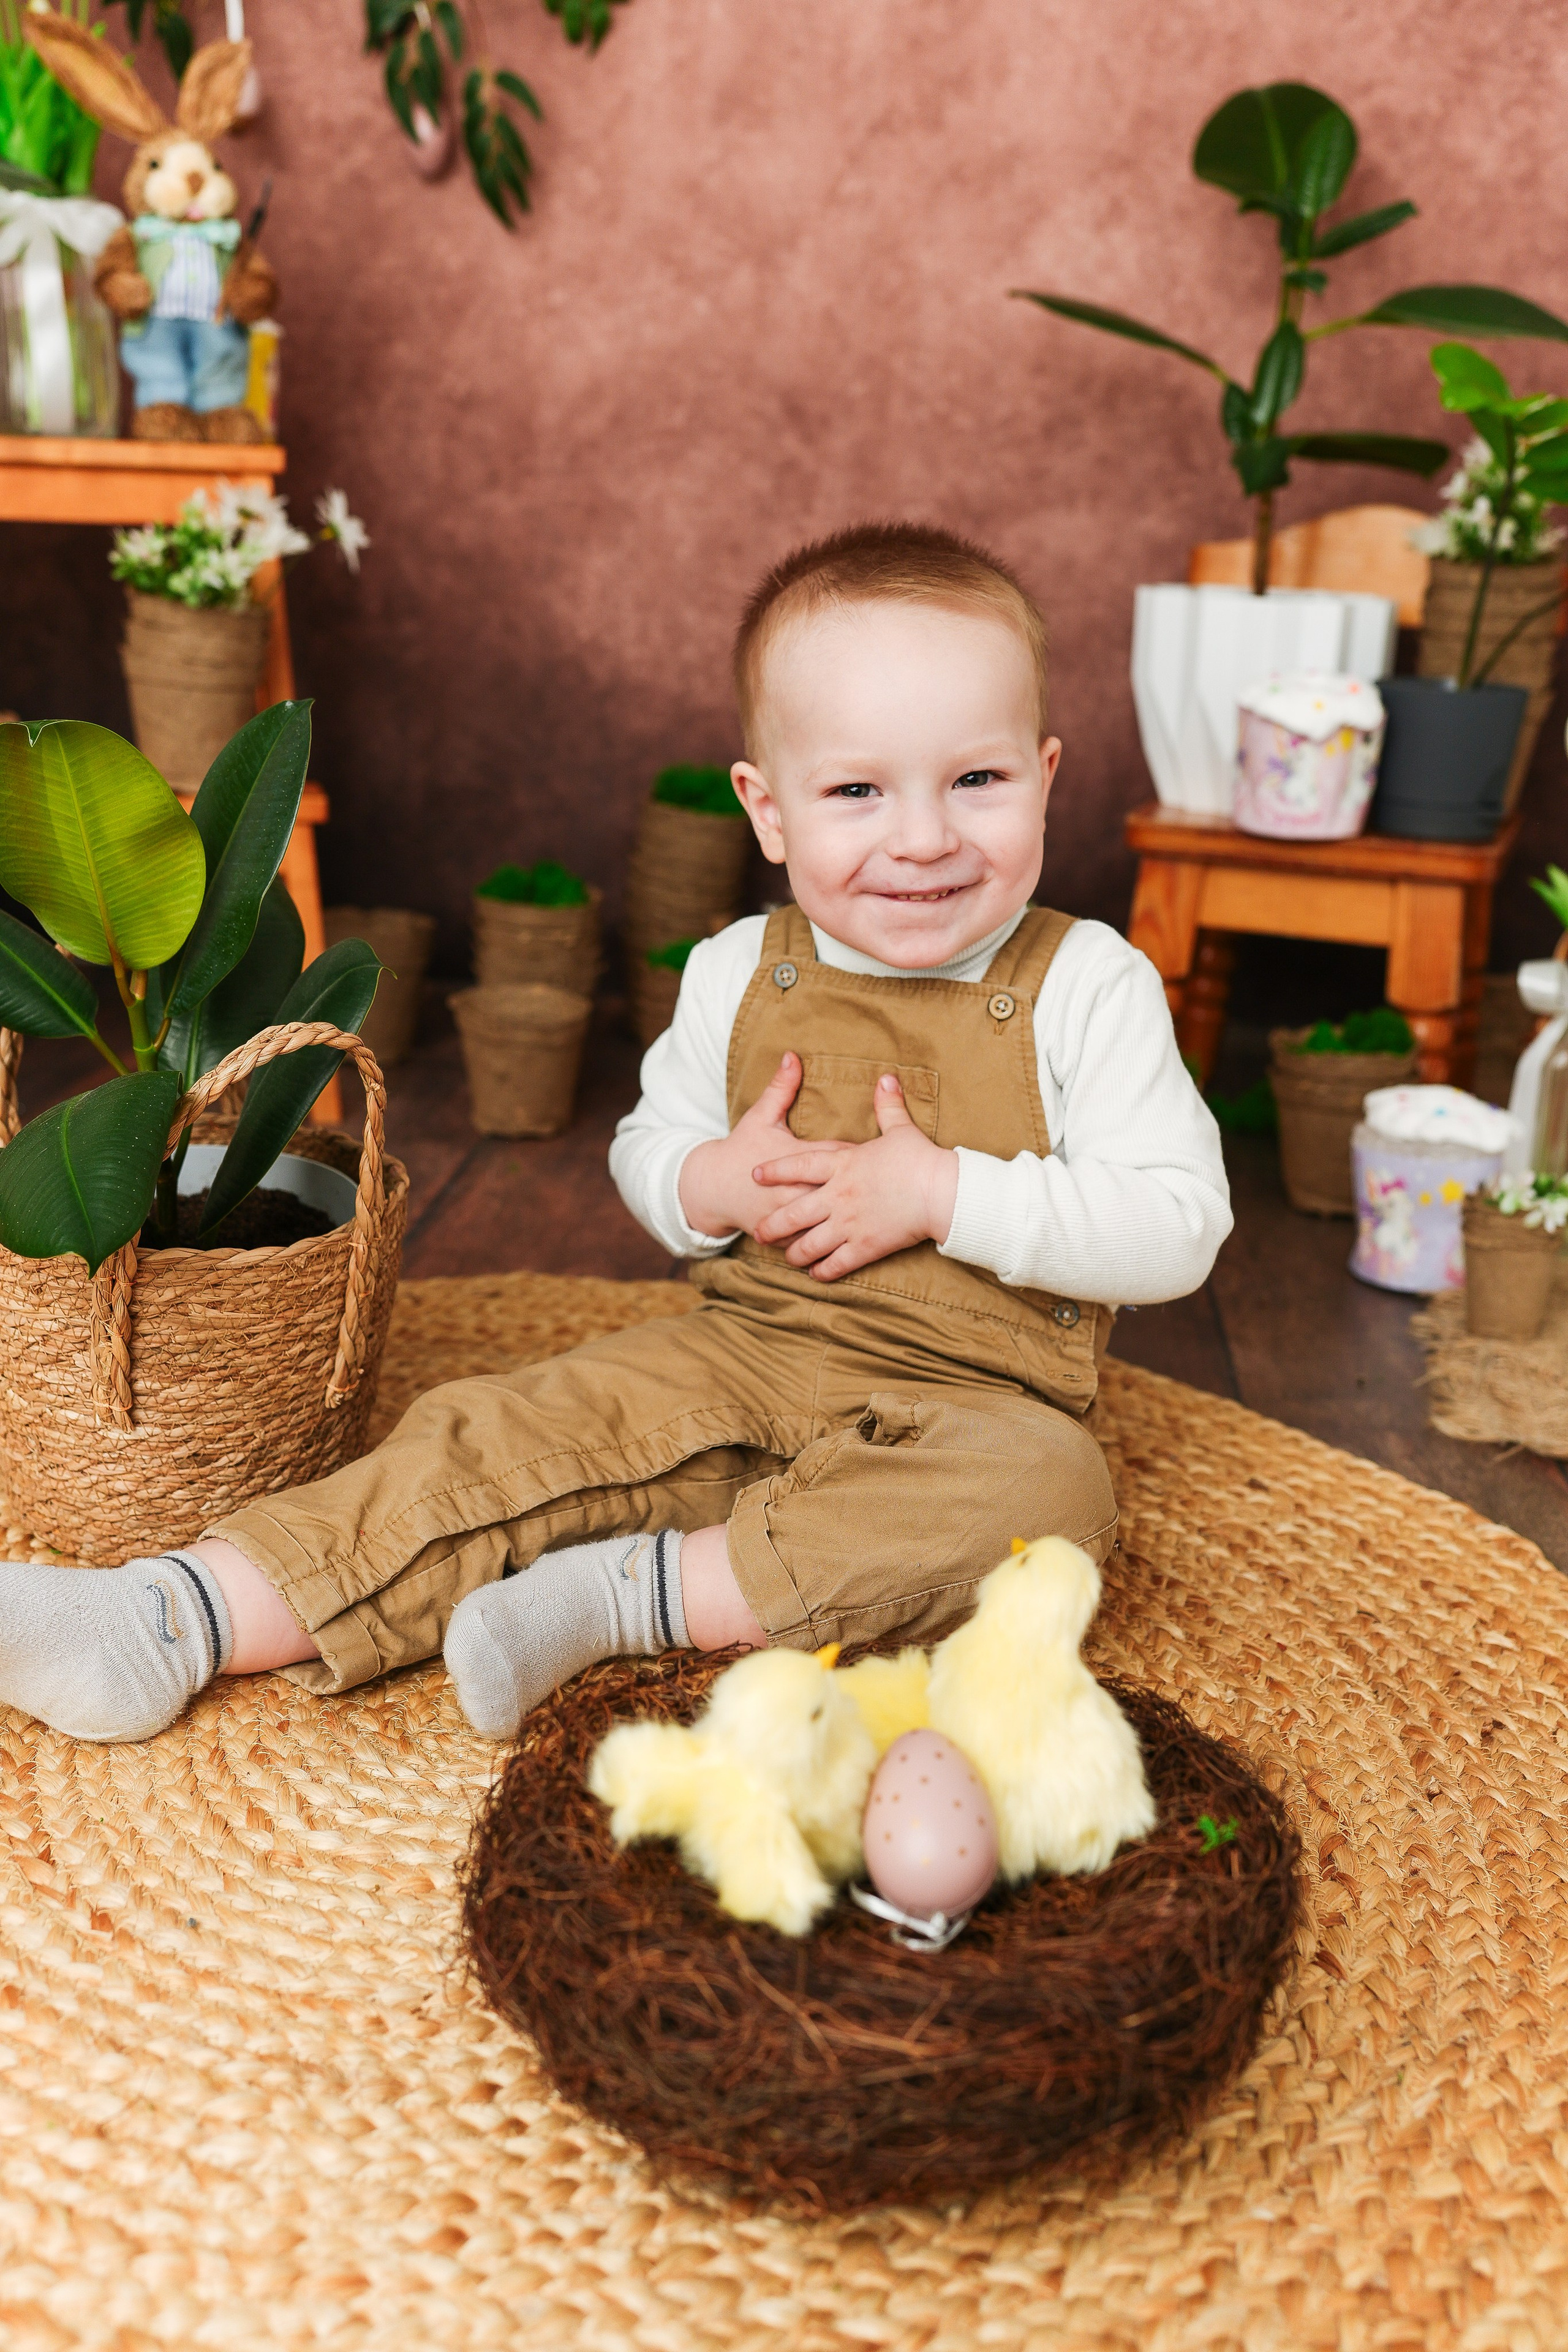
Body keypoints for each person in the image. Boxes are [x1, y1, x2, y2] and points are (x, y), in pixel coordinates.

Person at [0, 522, 1231, 1745]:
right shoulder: (738, 969)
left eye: (977, 780)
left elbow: (1175, 1228)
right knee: (505, 1432)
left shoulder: (1086, 983)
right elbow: (649, 1153)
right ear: (769, 810)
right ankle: (171, 1618)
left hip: (980, 1401)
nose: (922, 836)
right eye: (856, 790)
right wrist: (712, 1177)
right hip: (746, 1351)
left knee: (1051, 1506)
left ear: (1046, 774)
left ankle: (626, 1594)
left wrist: (944, 1194)